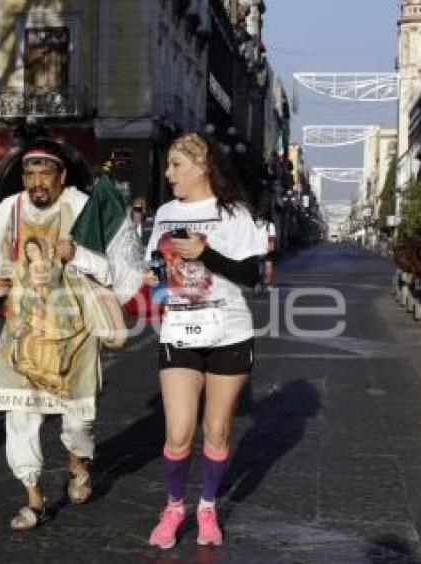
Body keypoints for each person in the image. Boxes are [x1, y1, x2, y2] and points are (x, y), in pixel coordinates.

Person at [0, 142, 112, 530]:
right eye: (30, 175)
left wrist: (77, 254)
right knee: (20, 413)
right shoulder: (9, 209)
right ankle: (34, 498)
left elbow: (110, 263)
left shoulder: (83, 207)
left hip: (76, 331)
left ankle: (78, 462)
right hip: (24, 328)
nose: (37, 183)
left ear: (61, 176)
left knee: (78, 419)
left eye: (45, 174)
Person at [143, 132, 266, 549]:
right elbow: (158, 268)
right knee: (178, 432)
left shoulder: (234, 213)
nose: (168, 173)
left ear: (202, 166)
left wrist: (203, 254)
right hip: (179, 330)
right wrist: (153, 280)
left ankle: (208, 506)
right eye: (168, 165)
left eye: (176, 165)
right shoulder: (164, 213)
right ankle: (175, 507)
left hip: (229, 333)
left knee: (216, 430)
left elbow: (252, 276)